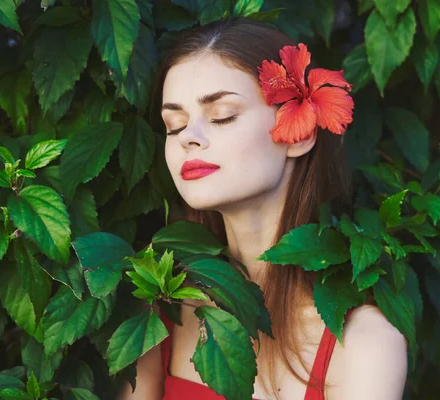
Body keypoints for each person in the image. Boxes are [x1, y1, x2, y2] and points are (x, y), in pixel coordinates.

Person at [117, 17, 408, 400]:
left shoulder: (364, 344)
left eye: (222, 116)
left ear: (299, 132)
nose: (190, 138)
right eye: (174, 125)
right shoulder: (164, 310)